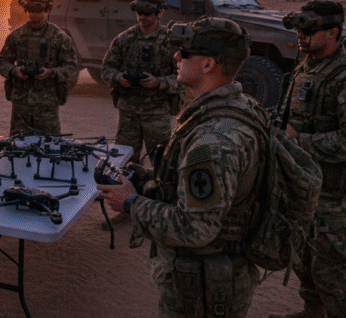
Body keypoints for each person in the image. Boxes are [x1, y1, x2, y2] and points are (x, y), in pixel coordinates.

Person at [97, 18, 267, 318]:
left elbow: (195, 228)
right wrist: (150, 177)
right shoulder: (239, 107)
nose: (175, 57)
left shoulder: (212, 141)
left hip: (203, 286)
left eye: (184, 53)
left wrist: (131, 202)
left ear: (207, 65)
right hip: (215, 274)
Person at [269, 1, 346, 318]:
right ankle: (313, 313)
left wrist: (297, 140)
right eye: (299, 30)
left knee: (332, 266)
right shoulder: (306, 67)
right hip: (304, 184)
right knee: (303, 256)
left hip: (334, 191)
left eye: (309, 30)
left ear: (333, 32)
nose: (301, 36)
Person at [101, 0, 181, 165]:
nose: (142, 17)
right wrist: (118, 78)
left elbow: (183, 77)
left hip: (157, 114)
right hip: (128, 113)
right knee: (123, 161)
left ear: (159, 13)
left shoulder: (170, 41)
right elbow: (106, 68)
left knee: (163, 163)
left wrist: (159, 82)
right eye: (139, 13)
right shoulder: (124, 39)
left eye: (148, 13)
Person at [0, 0, 78, 136]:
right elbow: (3, 62)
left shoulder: (59, 37)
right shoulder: (16, 35)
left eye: (37, 11)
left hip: (47, 106)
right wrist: (14, 70)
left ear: (46, 11)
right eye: (30, 11)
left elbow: (71, 67)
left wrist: (51, 72)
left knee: (49, 149)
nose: (33, 15)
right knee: (18, 149)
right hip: (21, 106)